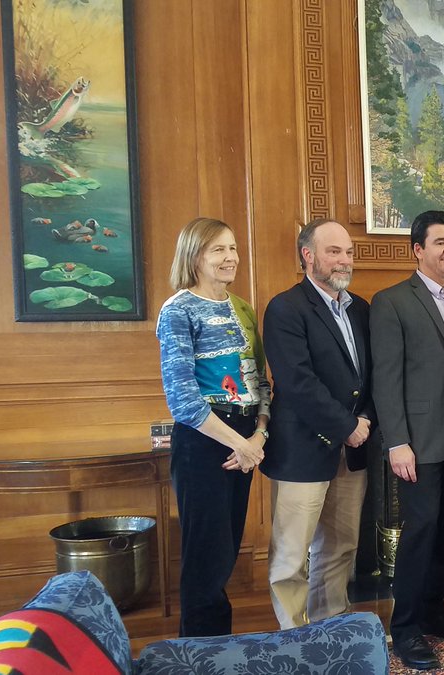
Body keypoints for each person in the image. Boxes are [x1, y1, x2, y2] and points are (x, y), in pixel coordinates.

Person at [370, 211, 444, 671]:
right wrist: (397, 442)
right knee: (421, 530)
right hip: (417, 440)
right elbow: (386, 380)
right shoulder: (391, 301)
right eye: (439, 242)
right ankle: (405, 628)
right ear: (418, 249)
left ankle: (434, 610)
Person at [158, 217, 270, 637]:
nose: (231, 258)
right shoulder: (178, 309)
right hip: (204, 443)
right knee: (205, 560)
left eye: (234, 248)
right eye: (218, 250)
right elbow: (183, 399)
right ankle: (199, 655)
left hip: (243, 441)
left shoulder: (241, 307)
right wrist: (240, 444)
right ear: (194, 256)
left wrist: (258, 436)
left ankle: (219, 651)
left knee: (225, 556)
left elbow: (260, 381)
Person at [261, 219, 373, 631]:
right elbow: (296, 382)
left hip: (353, 450)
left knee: (341, 547)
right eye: (334, 252)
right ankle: (294, 639)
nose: (344, 260)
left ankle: (330, 630)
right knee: (292, 556)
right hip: (303, 450)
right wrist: (347, 425)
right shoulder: (285, 307)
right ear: (308, 255)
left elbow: (372, 375)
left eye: (347, 252)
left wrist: (364, 421)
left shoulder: (360, 308)